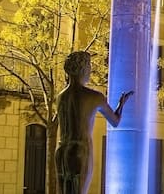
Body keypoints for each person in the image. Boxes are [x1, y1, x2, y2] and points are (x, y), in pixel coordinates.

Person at [55, 51, 132, 194]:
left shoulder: (60, 97)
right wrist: (121, 104)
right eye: (89, 66)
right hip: (80, 150)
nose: (90, 71)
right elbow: (115, 121)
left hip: (61, 150)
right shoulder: (94, 96)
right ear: (83, 69)